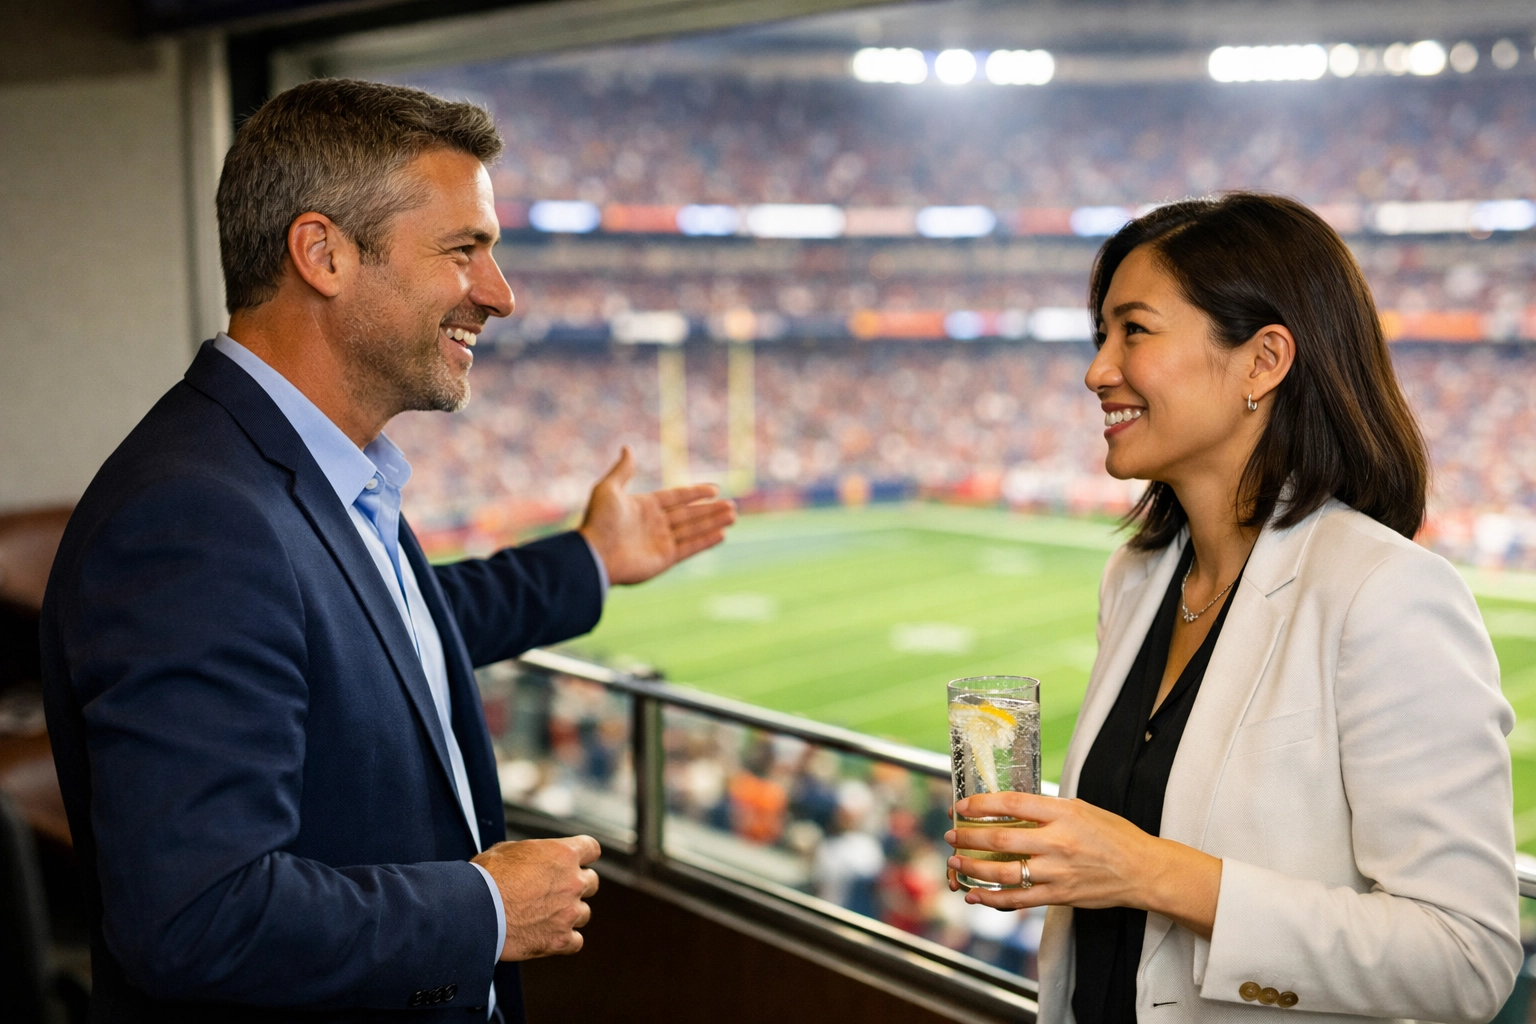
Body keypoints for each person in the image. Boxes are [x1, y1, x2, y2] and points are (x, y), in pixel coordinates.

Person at [40, 78, 735, 1022]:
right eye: (464, 250)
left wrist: (589, 561)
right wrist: (484, 907)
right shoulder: (194, 517)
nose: (500, 294)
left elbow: (385, 635)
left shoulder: (300, 468)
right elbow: (199, 917)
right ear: (323, 254)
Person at [945, 193, 1520, 1023]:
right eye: (1100, 334)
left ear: (1263, 361)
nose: (1098, 369)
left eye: (1133, 330)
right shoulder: (1137, 577)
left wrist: (1148, 870)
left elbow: (1465, 959)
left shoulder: (1384, 591)